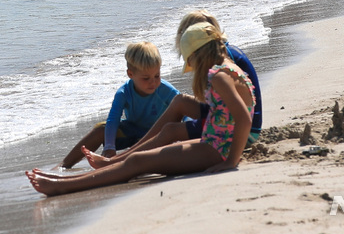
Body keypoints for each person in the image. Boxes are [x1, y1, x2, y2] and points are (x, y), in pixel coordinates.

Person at [26, 22, 255, 196]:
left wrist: (230, 161)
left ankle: (63, 186)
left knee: (137, 163)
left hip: (217, 148)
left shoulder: (218, 77)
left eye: (190, 61)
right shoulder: (230, 67)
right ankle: (68, 180)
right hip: (215, 142)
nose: (192, 68)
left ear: (196, 55)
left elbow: (244, 119)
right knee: (139, 158)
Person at [82, 10, 263, 170]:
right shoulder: (225, 52)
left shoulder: (221, 62)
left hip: (236, 129)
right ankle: (124, 157)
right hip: (229, 118)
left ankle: (122, 159)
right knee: (180, 102)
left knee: (171, 130)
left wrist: (229, 160)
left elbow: (236, 113)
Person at [60, 41, 179, 169]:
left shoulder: (165, 89)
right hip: (133, 131)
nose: (153, 82)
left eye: (157, 75)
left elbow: (184, 108)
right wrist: (110, 147)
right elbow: (113, 119)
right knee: (101, 129)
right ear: (130, 74)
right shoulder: (124, 92)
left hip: (158, 135)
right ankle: (64, 165)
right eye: (146, 78)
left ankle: (119, 165)